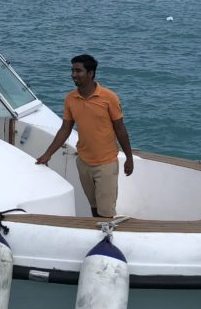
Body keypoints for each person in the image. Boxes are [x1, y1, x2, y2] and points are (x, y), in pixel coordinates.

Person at [36, 54, 134, 218]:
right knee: (94, 207)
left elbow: (120, 129)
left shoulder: (109, 98)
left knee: (106, 212)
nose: (74, 74)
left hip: (106, 164)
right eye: (72, 70)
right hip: (83, 162)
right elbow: (65, 129)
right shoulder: (70, 98)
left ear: (90, 73)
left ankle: (106, 238)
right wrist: (47, 154)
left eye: (78, 71)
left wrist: (129, 158)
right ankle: (97, 234)